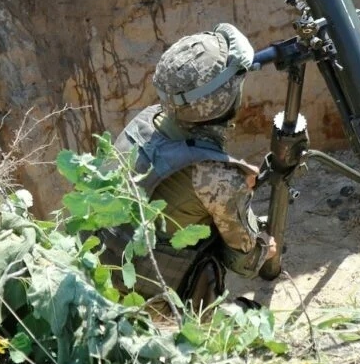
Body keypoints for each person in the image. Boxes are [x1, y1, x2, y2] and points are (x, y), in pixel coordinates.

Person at [112, 23, 276, 309]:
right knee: (255, 318)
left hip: (103, 281)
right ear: (223, 102)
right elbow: (245, 262)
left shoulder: (145, 122)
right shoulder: (216, 177)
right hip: (147, 309)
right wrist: (266, 247)